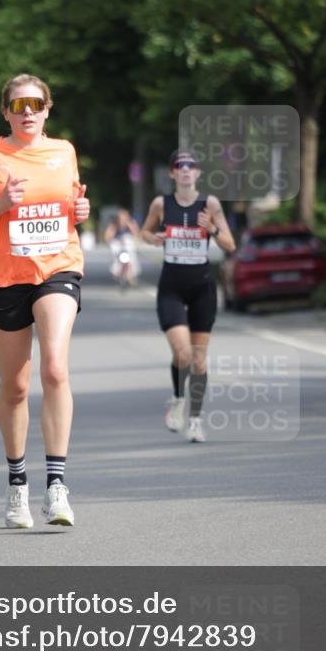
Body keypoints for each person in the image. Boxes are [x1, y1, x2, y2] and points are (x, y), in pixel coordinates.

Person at [0, 74, 90, 528]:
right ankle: (18, 484)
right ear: (6, 112)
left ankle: (57, 486)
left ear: (48, 109)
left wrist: (81, 214)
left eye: (36, 103)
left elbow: (70, 206)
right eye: (19, 105)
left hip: (57, 267)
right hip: (3, 277)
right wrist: (0, 205)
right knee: (14, 387)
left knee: (55, 368)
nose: (27, 111)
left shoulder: (64, 152)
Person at [140, 149, 236, 443]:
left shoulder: (210, 204)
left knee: (199, 361)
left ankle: (195, 418)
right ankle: (178, 399)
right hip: (171, 285)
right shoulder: (161, 203)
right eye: (179, 166)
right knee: (182, 353)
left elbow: (230, 244)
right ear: (172, 173)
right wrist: (153, 237)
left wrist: (213, 228)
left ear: (198, 173)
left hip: (202, 287)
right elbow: (144, 231)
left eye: (190, 166)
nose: (185, 170)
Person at [104, 208, 141, 286]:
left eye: (124, 217)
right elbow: (108, 237)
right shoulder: (114, 224)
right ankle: (116, 271)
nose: (122, 219)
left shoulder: (131, 223)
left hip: (127, 244)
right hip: (117, 244)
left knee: (132, 256)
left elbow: (136, 235)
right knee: (115, 255)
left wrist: (129, 225)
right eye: (121, 217)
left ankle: (132, 275)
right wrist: (113, 231)